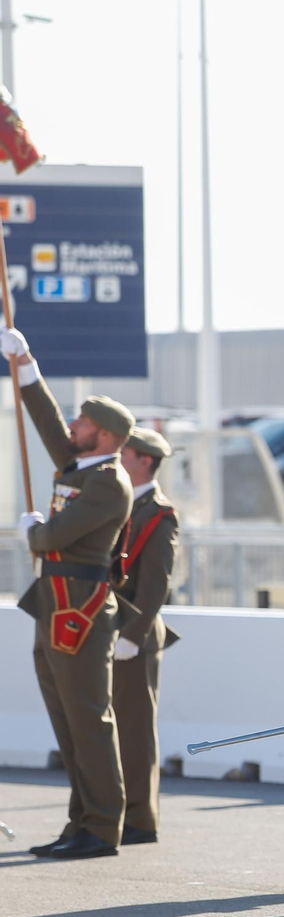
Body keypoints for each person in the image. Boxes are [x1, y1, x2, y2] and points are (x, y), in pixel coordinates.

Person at [5, 327, 134, 860]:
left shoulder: (107, 481)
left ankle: (102, 827)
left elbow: (55, 536)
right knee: (68, 724)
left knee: (89, 721)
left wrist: (30, 532)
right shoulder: (83, 464)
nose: (74, 426)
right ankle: (79, 820)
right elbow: (48, 426)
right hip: (55, 601)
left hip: (78, 607)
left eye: (83, 422)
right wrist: (26, 366)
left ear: (103, 436)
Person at [111, 426, 181, 847]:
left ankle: (140, 818)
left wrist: (133, 635)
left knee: (134, 731)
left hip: (133, 636)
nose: (117, 459)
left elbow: (156, 584)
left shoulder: (158, 512)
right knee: (109, 731)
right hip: (108, 630)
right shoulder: (120, 503)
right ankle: (114, 812)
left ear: (144, 461)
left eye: (125, 453)